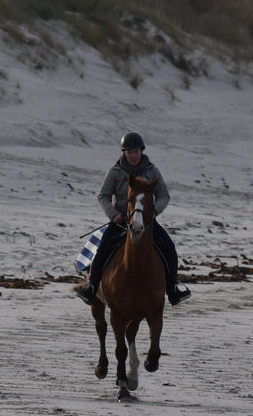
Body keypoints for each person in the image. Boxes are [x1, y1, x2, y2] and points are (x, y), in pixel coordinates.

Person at [73, 131, 191, 307]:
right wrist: (114, 214)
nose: (133, 155)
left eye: (136, 151)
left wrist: (154, 212)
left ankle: (173, 289)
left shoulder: (152, 171)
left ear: (141, 151)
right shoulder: (114, 172)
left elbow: (164, 195)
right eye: (129, 151)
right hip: (120, 221)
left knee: (169, 248)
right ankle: (91, 287)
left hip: (146, 221)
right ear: (124, 153)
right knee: (102, 249)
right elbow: (103, 196)